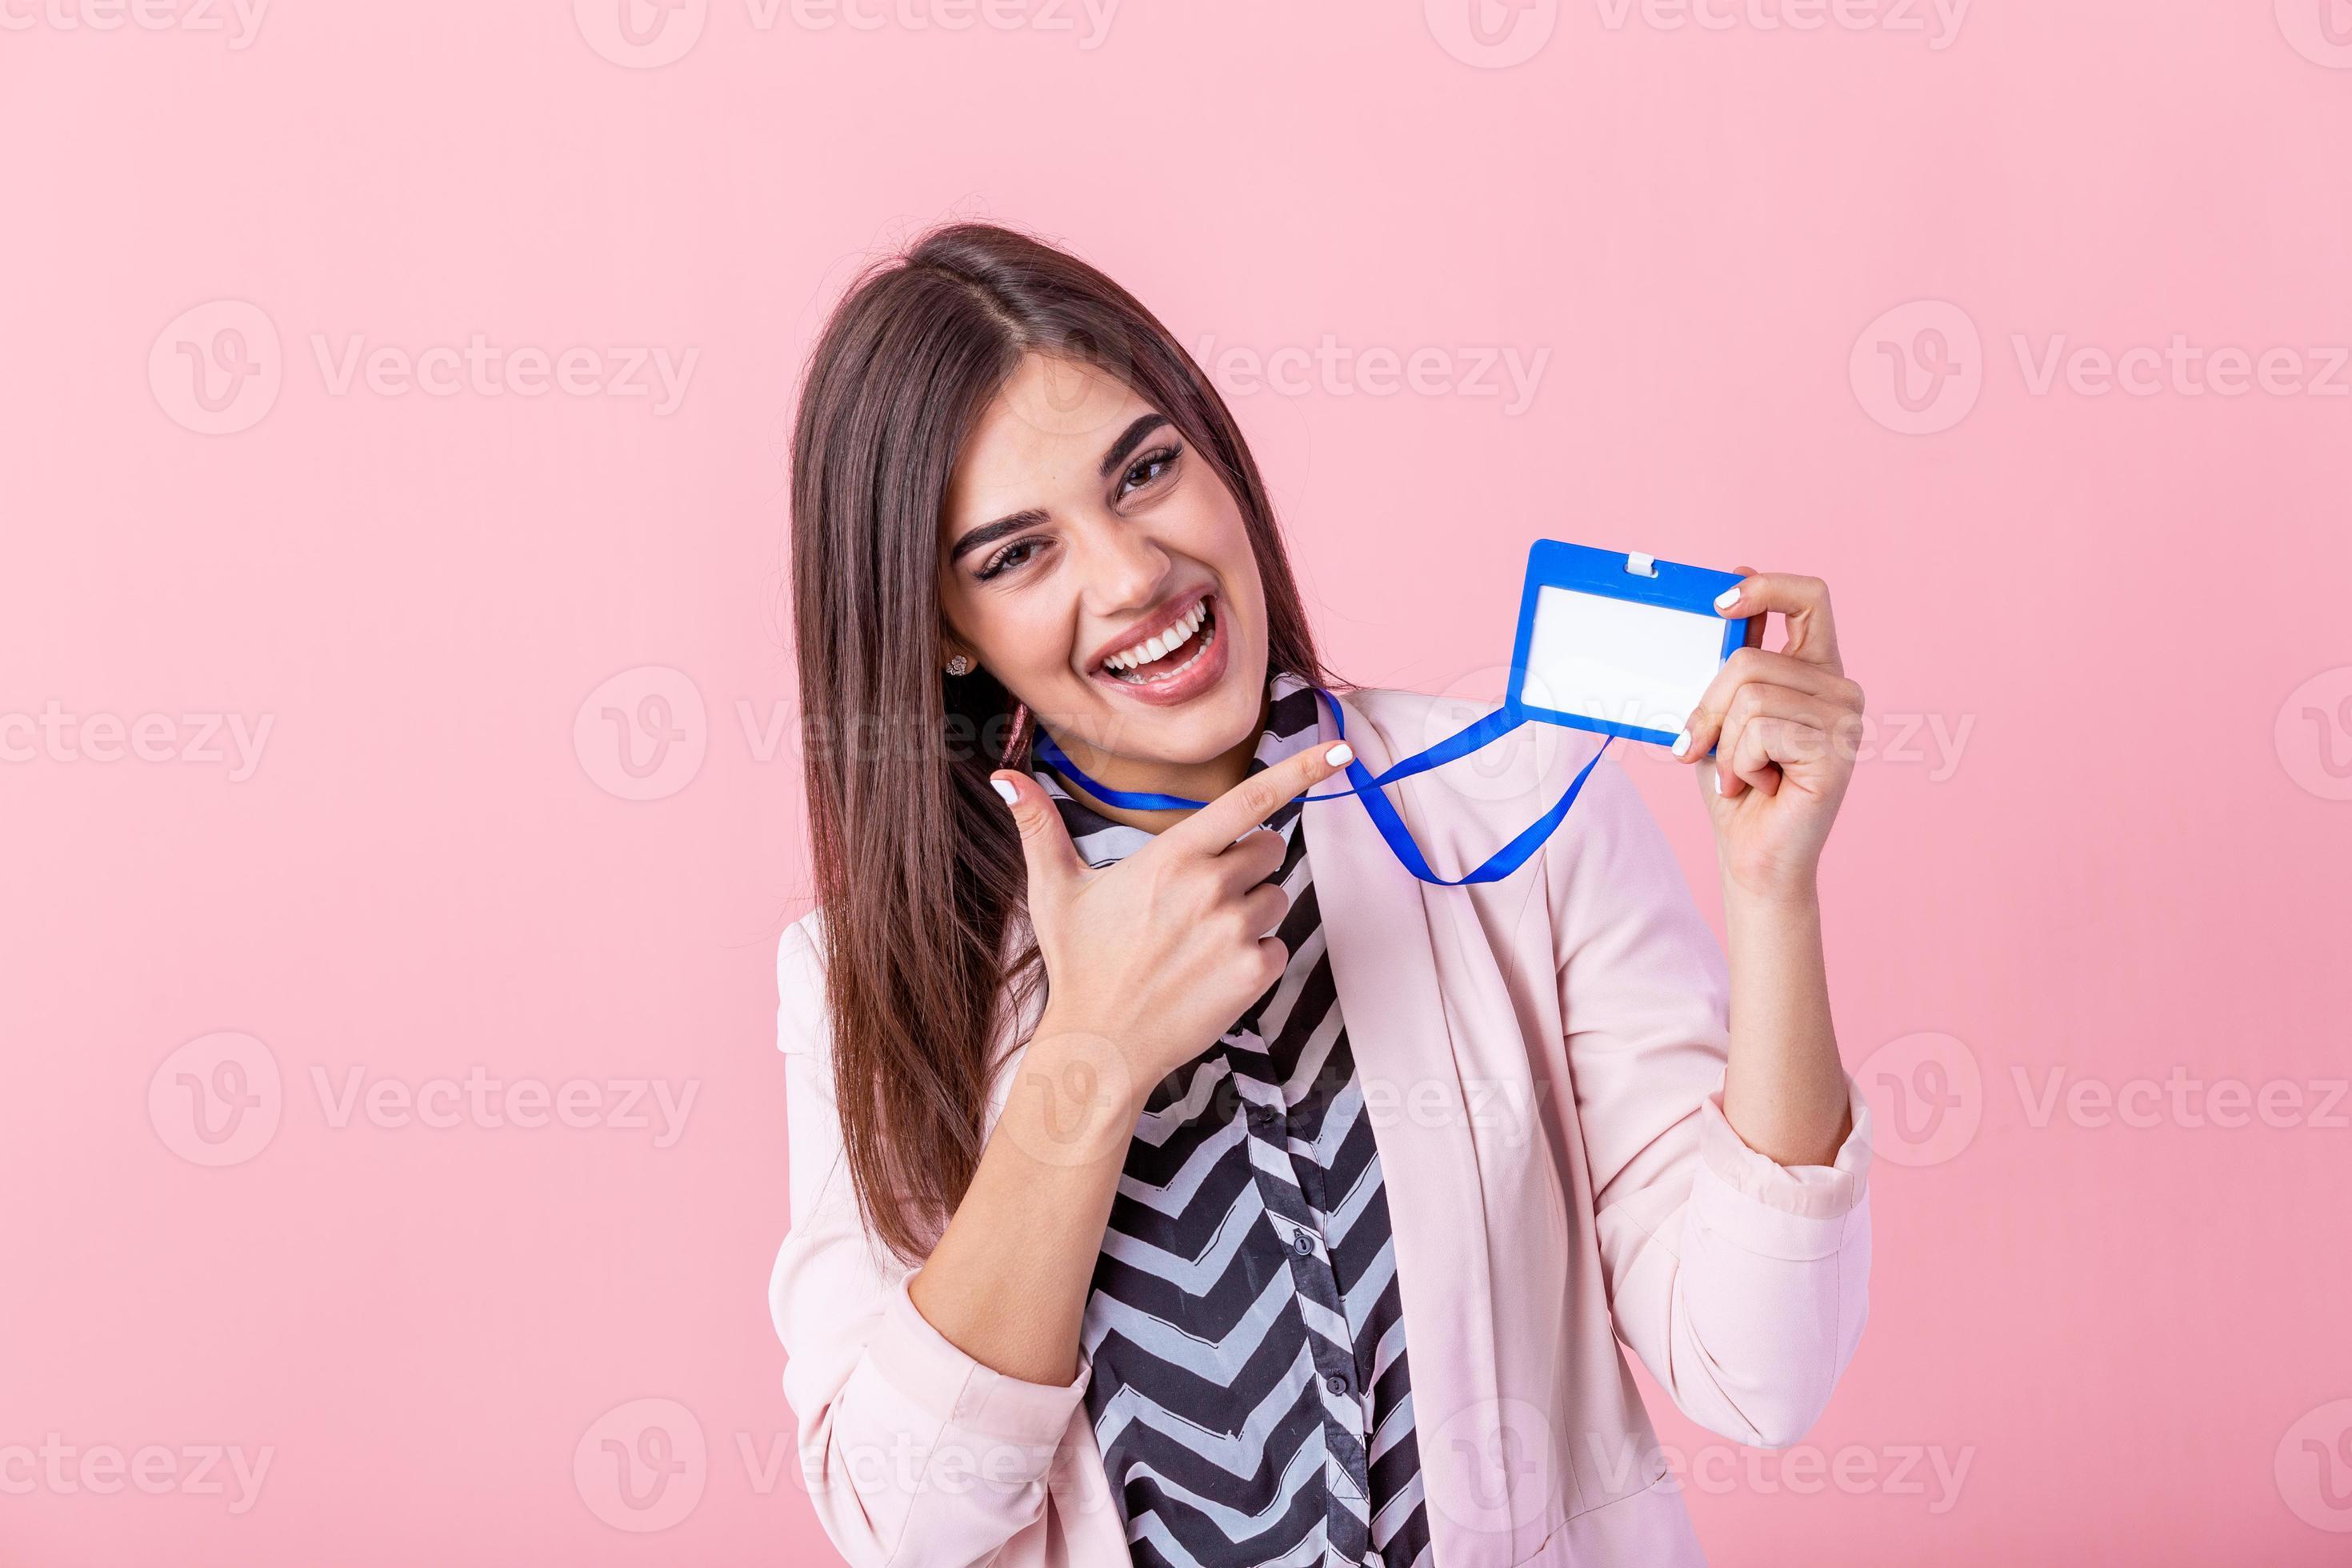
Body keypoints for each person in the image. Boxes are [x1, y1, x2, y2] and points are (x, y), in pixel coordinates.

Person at [770, 222, 1873, 1568]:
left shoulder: (1518, 807)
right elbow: (907, 1524)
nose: (1131, 577)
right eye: (1016, 556)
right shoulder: (862, 976)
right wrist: (1091, 1058)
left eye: (1147, 471)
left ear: (1214, 454)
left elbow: (1760, 1370)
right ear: (942, 628)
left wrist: (1772, 899)